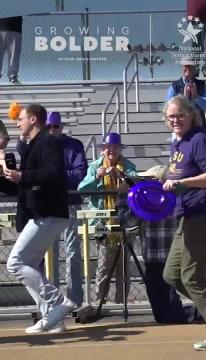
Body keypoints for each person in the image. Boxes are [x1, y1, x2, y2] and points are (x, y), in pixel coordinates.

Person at [161, 95, 206, 351]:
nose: (175, 120)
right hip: (185, 217)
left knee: (192, 277)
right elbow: (175, 174)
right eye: (171, 116)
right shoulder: (177, 145)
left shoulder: (198, 140)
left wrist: (183, 183)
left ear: (191, 115)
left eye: (180, 115)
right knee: (171, 275)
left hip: (203, 216)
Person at [2, 104, 74, 333]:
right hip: (42, 214)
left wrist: (23, 175)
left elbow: (54, 173)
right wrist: (9, 177)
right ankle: (54, 318)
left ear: (33, 119)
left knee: (15, 263)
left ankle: (59, 302)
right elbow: (23, 186)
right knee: (29, 265)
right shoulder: (32, 145)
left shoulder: (47, 141)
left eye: (21, 119)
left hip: (48, 213)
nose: (17, 123)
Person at [78, 133, 137, 304]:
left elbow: (136, 183)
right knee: (104, 264)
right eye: (108, 147)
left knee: (124, 266)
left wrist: (121, 175)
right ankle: (98, 302)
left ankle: (122, 302)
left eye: (114, 147)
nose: (111, 150)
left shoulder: (128, 165)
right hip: (102, 223)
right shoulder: (94, 167)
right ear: (103, 149)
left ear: (120, 149)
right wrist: (97, 176)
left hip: (125, 223)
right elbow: (82, 189)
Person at [137, 165, 194, 324]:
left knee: (170, 309)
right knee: (160, 312)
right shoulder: (145, 201)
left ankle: (200, 313)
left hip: (170, 258)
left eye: (149, 179)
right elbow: (127, 222)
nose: (146, 182)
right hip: (153, 258)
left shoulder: (176, 199)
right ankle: (197, 313)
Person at [41, 112, 88, 307]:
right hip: (49, 204)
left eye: (55, 126)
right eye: (49, 127)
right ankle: (54, 300)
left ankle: (74, 299)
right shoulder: (41, 146)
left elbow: (80, 172)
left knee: (72, 252)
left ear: (61, 127)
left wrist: (55, 176)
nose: (52, 130)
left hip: (69, 202)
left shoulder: (73, 145)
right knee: (50, 252)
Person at [166, 63, 206, 132]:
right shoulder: (174, 86)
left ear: (194, 68)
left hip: (198, 125)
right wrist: (183, 99)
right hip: (180, 126)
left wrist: (196, 97)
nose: (188, 69)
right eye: (185, 66)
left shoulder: (202, 85)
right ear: (182, 69)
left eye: (190, 66)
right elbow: (168, 107)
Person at [0, 16, 22, 84]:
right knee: (13, 54)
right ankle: (13, 76)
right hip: (7, 27)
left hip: (14, 27)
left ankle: (13, 76)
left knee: (14, 54)